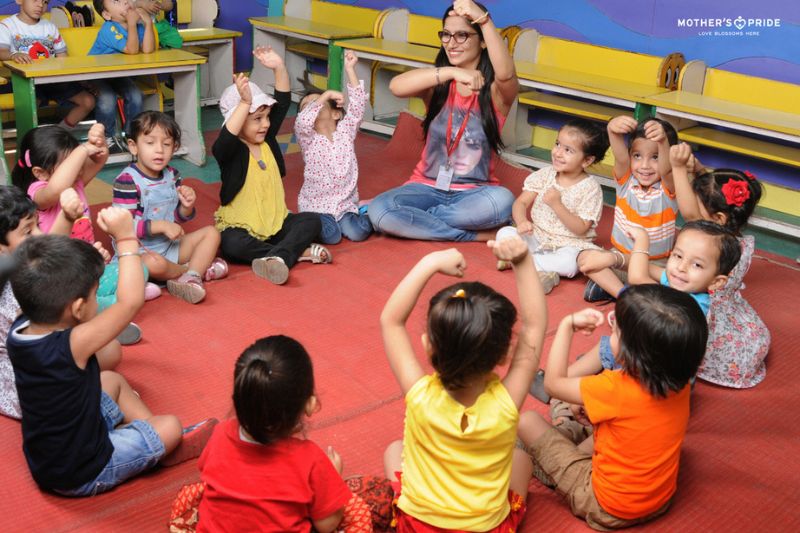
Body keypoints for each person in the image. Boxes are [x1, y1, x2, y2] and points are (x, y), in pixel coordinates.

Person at [5, 209, 216, 496]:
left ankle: (146, 434)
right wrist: (126, 238)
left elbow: (41, 269)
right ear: (78, 309)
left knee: (112, 381)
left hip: (51, 455)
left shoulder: (21, 323)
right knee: (172, 427)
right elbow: (129, 302)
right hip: (82, 470)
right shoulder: (73, 344)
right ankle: (158, 447)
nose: (97, 300)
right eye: (94, 295)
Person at [381, 236, 547, 530]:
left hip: (419, 526)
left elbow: (391, 321)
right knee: (521, 459)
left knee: (395, 449)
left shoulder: (420, 396)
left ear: (427, 346)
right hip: (485, 527)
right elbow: (535, 325)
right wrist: (522, 261)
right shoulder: (507, 403)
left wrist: (430, 262)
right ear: (505, 355)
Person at [518, 285, 708, 530]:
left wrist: (566, 326)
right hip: (658, 501)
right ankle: (563, 436)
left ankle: (549, 464)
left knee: (527, 421)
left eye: (615, 330)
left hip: (604, 505)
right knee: (577, 410)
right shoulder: (678, 383)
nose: (609, 334)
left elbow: (553, 384)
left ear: (633, 354)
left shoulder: (612, 387)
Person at [367, 0, 518, 242]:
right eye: (446, 35)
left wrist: (484, 20)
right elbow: (396, 86)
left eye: (462, 35)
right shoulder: (437, 83)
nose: (451, 43)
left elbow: (506, 73)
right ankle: (472, 235)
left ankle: (413, 219)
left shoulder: (496, 93)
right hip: (424, 187)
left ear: (482, 41)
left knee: (503, 202)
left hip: (475, 193)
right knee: (380, 209)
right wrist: (450, 72)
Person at [197, 335, 360, 532]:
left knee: (196, 495)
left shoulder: (220, 433)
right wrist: (334, 476)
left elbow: (208, 473)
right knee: (357, 508)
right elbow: (327, 525)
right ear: (310, 404)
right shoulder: (309, 458)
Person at [0, 185, 128, 420]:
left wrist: (67, 217)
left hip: (24, 368)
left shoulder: (13, 267)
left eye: (37, 224)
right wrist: (87, 268)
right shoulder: (17, 289)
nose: (39, 234)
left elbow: (44, 248)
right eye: (28, 231)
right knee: (110, 358)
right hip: (32, 391)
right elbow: (64, 317)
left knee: (109, 349)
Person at [12, 124, 160, 314]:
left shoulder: (77, 182)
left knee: (139, 267)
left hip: (87, 269)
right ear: (41, 173)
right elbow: (57, 189)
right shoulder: (38, 193)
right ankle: (111, 303)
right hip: (58, 278)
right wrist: (82, 150)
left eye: (78, 161)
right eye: (71, 163)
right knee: (90, 300)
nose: (79, 168)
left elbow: (98, 159)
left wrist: (97, 141)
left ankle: (112, 299)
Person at [214, 47, 331, 286]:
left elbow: (284, 99)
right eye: (257, 119)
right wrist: (245, 102)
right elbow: (224, 139)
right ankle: (292, 253)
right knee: (230, 243)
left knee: (313, 221)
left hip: (276, 222)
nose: (265, 124)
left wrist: (279, 68)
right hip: (243, 225)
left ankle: (278, 255)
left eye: (267, 117)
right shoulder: (232, 149)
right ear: (237, 120)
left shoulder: (266, 140)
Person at [670, 144, 770, 387]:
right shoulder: (738, 240)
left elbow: (691, 216)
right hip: (737, 318)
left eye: (699, 204)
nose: (694, 209)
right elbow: (704, 206)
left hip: (711, 320)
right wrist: (701, 172)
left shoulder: (713, 244)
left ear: (718, 219)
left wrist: (678, 168)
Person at [113, 111, 226, 304]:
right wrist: (161, 226)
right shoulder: (127, 181)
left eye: (166, 144)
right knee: (153, 263)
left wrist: (186, 207)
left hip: (170, 247)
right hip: (139, 253)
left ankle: (191, 276)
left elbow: (177, 217)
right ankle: (191, 270)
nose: (159, 150)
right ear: (133, 146)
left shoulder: (172, 175)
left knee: (212, 233)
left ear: (174, 147)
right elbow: (122, 227)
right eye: (150, 143)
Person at [495, 118, 609, 294]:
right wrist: (522, 221)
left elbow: (580, 229)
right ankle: (541, 269)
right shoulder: (546, 175)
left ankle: (520, 261)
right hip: (537, 235)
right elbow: (521, 202)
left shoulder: (591, 188)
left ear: (586, 160)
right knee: (505, 233)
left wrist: (557, 205)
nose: (557, 152)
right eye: (557, 144)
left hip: (568, 244)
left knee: (570, 264)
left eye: (568, 150)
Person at [578, 116, 679, 301]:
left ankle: (617, 288)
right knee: (584, 257)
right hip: (619, 260)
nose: (645, 165)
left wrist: (664, 141)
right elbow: (621, 157)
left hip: (654, 267)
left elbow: (666, 170)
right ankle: (623, 294)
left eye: (655, 157)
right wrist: (612, 131)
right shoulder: (626, 182)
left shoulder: (668, 189)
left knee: (676, 286)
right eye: (637, 156)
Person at [295, 49, 372, 245]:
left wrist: (350, 69)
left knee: (358, 233)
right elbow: (302, 122)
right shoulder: (308, 139)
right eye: (307, 106)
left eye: (318, 103)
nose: (313, 107)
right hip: (317, 207)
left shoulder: (345, 133)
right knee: (331, 237)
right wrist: (326, 94)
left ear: (336, 114)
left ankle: (363, 210)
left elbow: (357, 109)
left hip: (345, 205)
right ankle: (304, 222)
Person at [0, 0, 95, 130]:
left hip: (53, 81)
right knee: (31, 105)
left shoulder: (50, 27)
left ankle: (60, 133)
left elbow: (63, 58)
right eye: (35, 0)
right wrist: (13, 55)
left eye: (45, 2)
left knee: (88, 101)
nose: (40, 5)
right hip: (26, 82)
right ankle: (28, 140)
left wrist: (78, 79)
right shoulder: (7, 25)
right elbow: (2, 52)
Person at [89, 0, 154, 152]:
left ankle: (131, 134)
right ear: (107, 14)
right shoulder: (109, 28)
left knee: (136, 95)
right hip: (95, 75)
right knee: (107, 98)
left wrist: (148, 24)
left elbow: (147, 50)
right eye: (116, 1)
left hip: (117, 75)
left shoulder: (137, 26)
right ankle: (107, 137)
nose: (125, 2)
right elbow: (131, 50)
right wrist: (132, 24)